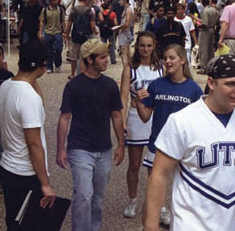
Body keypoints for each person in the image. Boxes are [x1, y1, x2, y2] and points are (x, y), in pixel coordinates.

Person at [143, 54, 235, 231]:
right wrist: (151, 226)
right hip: (192, 224)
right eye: (231, 83)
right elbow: (159, 175)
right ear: (211, 83)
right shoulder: (182, 120)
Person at [56, 39, 125, 231]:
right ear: (89, 59)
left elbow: (117, 115)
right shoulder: (74, 86)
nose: (106, 60)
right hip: (80, 148)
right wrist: (60, 149)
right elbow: (64, 117)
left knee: (98, 197)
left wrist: (121, 144)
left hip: (103, 148)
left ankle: (92, 227)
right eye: (102, 57)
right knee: (83, 195)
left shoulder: (110, 85)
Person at [136, 44, 203, 226]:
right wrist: (137, 99)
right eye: (165, 58)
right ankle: (149, 225)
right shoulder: (157, 85)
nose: (167, 61)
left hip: (185, 149)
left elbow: (200, 121)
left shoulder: (194, 89)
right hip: (157, 146)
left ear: (182, 60)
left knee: (184, 192)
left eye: (172, 58)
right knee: (154, 191)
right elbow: (144, 117)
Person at [0, 41, 55, 230]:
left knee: (13, 220)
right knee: (31, 225)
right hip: (26, 173)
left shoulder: (7, 86)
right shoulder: (28, 98)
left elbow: (40, 107)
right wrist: (45, 183)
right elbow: (34, 143)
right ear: (43, 65)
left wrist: (33, 77)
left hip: (8, 166)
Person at [120, 31, 163, 218]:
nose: (145, 49)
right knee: (134, 164)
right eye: (142, 45)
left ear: (154, 46)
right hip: (136, 117)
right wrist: (122, 123)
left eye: (149, 45)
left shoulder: (161, 67)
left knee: (157, 167)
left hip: (157, 119)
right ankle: (133, 200)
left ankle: (159, 206)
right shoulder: (131, 68)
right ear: (137, 46)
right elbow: (123, 97)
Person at [64, 0, 97, 79]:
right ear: (86, 0)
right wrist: (95, 32)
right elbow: (92, 25)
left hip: (75, 35)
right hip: (86, 36)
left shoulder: (73, 10)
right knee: (84, 55)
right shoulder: (90, 11)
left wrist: (66, 34)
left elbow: (69, 24)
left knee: (74, 56)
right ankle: (83, 73)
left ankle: (72, 73)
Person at [0, 39, 13, 191]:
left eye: (0, 55)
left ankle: (1, 178)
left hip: (1, 119)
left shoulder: (8, 76)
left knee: (1, 149)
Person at [38, 0, 65, 74]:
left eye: (57, 0)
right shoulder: (45, 10)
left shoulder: (60, 10)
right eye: (54, 0)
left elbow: (63, 21)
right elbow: (42, 21)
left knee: (58, 49)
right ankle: (49, 66)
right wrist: (40, 32)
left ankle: (57, 64)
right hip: (48, 32)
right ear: (50, 1)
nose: (56, 1)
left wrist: (65, 32)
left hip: (58, 32)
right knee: (48, 50)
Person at [197, 0, 220, 74]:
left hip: (205, 31)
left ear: (203, 3)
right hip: (212, 29)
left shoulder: (205, 11)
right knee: (210, 49)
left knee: (203, 50)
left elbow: (205, 24)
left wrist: (199, 26)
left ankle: (203, 68)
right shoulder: (214, 10)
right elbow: (218, 19)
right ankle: (211, 66)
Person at [118, 0, 134, 65]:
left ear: (125, 0)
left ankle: (126, 70)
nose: (119, 2)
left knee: (124, 54)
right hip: (124, 33)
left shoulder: (128, 10)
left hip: (125, 33)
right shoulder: (126, 9)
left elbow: (127, 24)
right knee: (126, 54)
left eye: (121, 0)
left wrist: (118, 28)